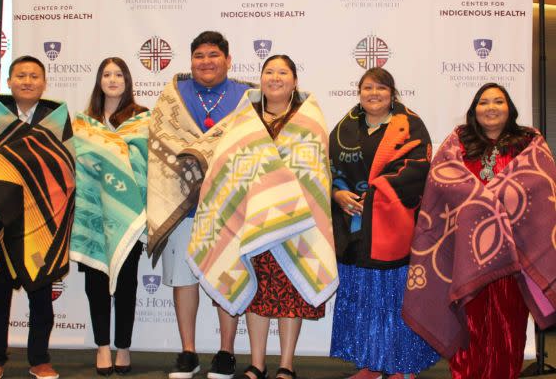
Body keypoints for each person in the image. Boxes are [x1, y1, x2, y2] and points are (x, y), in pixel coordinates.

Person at [183, 54, 338, 379]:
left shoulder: (310, 122)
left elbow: (314, 172)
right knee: (258, 293)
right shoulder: (243, 120)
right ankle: (256, 363)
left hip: (294, 223)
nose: (275, 77)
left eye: (283, 72)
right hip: (248, 221)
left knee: (290, 294)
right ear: (261, 78)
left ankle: (286, 365)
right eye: (269, 71)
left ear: (295, 81)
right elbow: (224, 168)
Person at [402, 83, 556, 379]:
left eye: (498, 101)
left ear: (509, 107)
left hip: (513, 256)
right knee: (468, 326)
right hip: (465, 255)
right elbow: (442, 182)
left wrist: (491, 199)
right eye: (484, 102)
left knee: (508, 328)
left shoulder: (529, 142)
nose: (491, 107)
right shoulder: (458, 141)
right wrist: (487, 200)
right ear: (474, 110)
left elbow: (539, 185)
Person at [0, 55, 76, 379]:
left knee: (40, 294)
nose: (27, 81)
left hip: (40, 220)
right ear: (8, 82)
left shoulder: (56, 117)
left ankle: (40, 360)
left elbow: (64, 168)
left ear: (44, 82)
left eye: (34, 76)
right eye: (20, 75)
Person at [146, 31, 254, 379]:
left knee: (227, 274)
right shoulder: (173, 95)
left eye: (213, 55)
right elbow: (160, 139)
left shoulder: (247, 96)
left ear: (228, 59)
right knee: (183, 279)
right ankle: (188, 352)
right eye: (199, 56)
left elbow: (253, 146)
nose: (206, 62)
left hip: (228, 206)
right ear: (190, 60)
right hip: (182, 206)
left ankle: (225, 352)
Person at [328, 67, 439, 379]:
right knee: (362, 298)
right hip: (353, 229)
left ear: (392, 94)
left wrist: (375, 196)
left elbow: (419, 169)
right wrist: (337, 195)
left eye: (380, 88)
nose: (373, 93)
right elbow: (329, 169)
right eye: (367, 88)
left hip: (393, 229)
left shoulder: (410, 125)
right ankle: (371, 364)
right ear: (359, 93)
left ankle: (401, 368)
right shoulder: (343, 128)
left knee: (393, 300)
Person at [70, 57, 150, 376]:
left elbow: (145, 164)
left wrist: (108, 153)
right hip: (92, 212)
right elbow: (79, 163)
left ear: (128, 80)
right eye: (107, 74)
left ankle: (124, 346)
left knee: (127, 282)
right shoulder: (84, 122)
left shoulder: (142, 118)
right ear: (99, 80)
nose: (113, 79)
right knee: (96, 282)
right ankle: (102, 346)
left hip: (129, 213)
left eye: (119, 74)